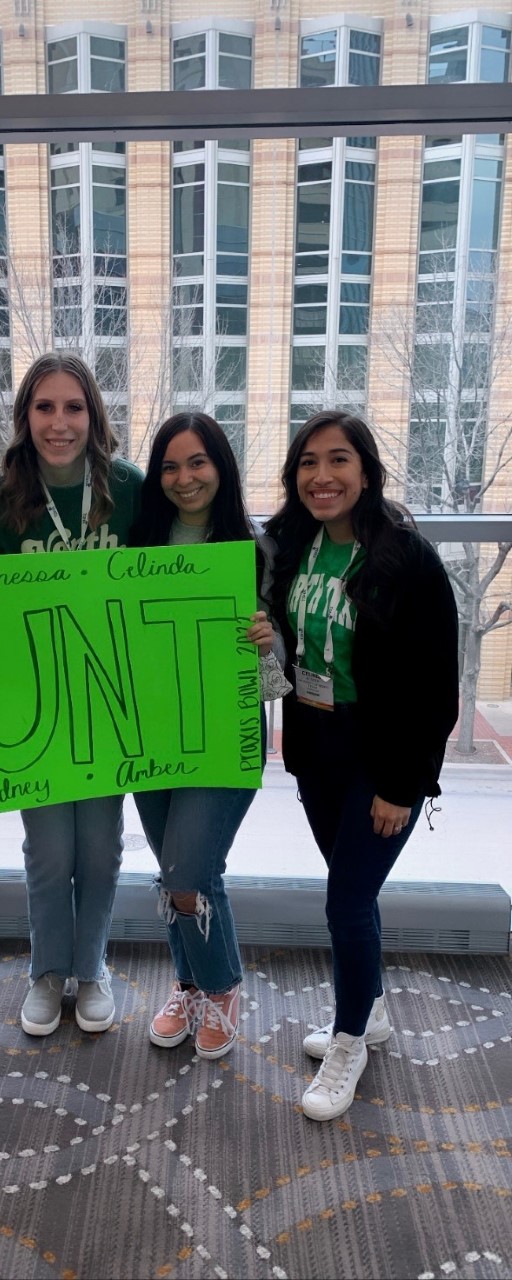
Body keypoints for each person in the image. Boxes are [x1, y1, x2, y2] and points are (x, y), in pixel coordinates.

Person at [265, 409, 458, 1121]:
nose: (322, 476)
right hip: (317, 749)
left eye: (339, 460)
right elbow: (288, 651)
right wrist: (265, 638)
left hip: (383, 761)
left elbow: (435, 687)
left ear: (367, 471)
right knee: (353, 893)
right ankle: (369, 1010)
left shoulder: (406, 557)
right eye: (309, 462)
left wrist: (402, 785)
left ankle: (350, 1041)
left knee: (345, 901)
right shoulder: (289, 545)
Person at [0, 351, 143, 1037]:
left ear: (94, 417)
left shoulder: (127, 490)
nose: (59, 422)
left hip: (107, 704)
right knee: (50, 852)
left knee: (100, 851)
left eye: (73, 407)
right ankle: (48, 971)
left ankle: (90, 968)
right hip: (32, 708)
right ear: (24, 417)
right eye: (45, 407)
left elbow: (168, 579)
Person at [129, 411, 276, 1060]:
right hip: (151, 730)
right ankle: (187, 983)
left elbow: (282, 679)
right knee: (171, 875)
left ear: (221, 467)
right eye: (169, 466)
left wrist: (272, 644)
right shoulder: (137, 549)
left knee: (191, 871)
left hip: (223, 734)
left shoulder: (258, 550)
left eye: (198, 463)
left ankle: (221, 986)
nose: (184, 478)